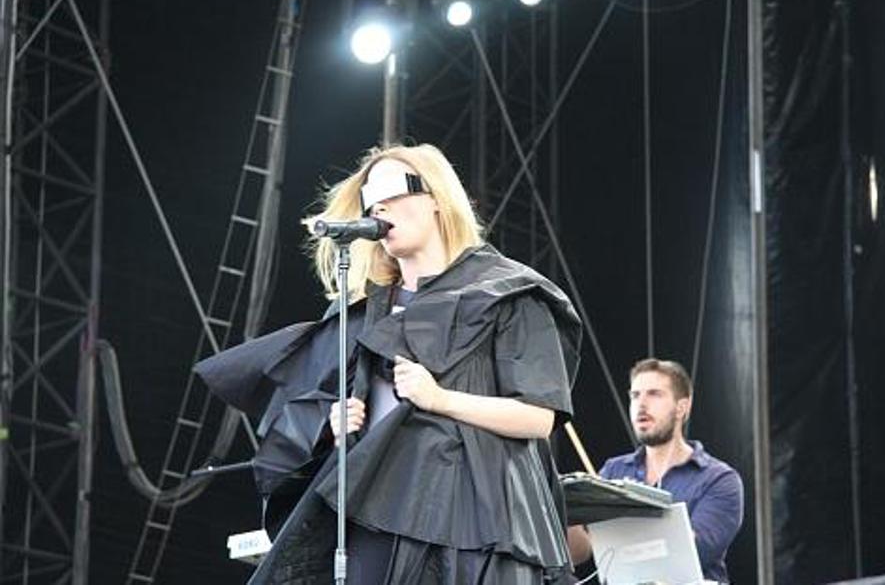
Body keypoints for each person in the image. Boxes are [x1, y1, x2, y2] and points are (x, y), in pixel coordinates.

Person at [196, 143, 582, 584]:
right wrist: (332, 426)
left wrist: (441, 399)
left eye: (394, 191)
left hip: (473, 518)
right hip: (376, 510)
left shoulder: (508, 293)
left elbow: (538, 417)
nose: (379, 206)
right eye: (370, 199)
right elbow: (298, 425)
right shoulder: (361, 314)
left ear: (436, 197)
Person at [567, 358, 743, 583]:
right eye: (635, 395)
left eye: (654, 394)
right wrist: (566, 508)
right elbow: (580, 554)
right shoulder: (614, 469)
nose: (641, 404)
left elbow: (697, 552)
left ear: (682, 407)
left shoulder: (719, 478)